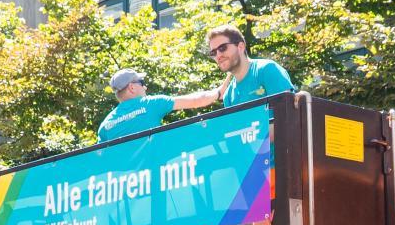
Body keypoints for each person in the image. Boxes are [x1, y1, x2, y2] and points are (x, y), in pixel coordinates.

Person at [96, 67, 224, 143]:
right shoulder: (151, 104)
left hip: (125, 186)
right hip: (157, 177)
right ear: (131, 88)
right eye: (141, 82)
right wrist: (218, 93)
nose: (145, 87)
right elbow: (196, 100)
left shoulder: (105, 126)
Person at [208, 25, 294, 107]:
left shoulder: (268, 70)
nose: (218, 55)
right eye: (213, 52)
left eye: (222, 48)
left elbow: (289, 115)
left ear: (240, 47)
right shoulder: (228, 96)